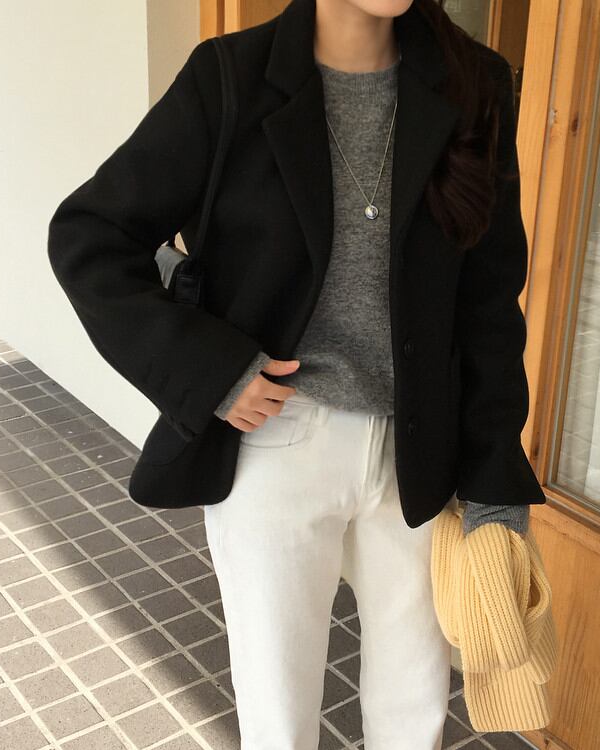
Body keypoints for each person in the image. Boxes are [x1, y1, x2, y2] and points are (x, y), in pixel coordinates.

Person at [47, 0, 546, 747]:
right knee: (278, 720)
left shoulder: (473, 83)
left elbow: (489, 304)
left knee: (416, 714)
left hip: (421, 452)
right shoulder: (231, 78)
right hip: (279, 440)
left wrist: (495, 483)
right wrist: (213, 371)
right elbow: (91, 236)